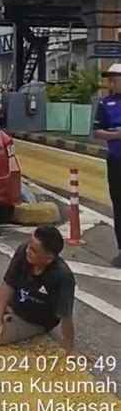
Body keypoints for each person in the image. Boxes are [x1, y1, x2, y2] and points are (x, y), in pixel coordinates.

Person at [0, 226, 76, 352]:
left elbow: (65, 317)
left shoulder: (62, 277)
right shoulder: (23, 251)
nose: (28, 251)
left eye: (34, 251)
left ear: (48, 258)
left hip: (33, 320)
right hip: (13, 299)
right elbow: (8, 284)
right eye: (29, 245)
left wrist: (70, 349)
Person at [93, 62, 121, 267]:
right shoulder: (105, 104)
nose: (111, 82)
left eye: (115, 78)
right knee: (119, 206)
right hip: (116, 161)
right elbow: (97, 131)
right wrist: (116, 135)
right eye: (109, 79)